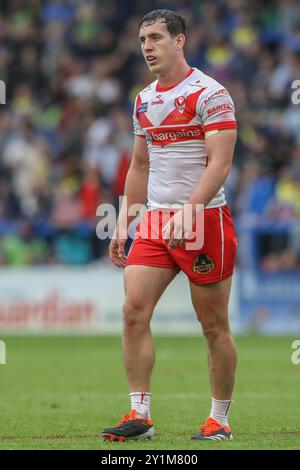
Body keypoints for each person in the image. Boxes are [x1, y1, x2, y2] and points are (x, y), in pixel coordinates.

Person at [101, 9, 238, 442]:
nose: (147, 46)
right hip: (157, 221)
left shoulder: (210, 94)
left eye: (156, 37)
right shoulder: (143, 100)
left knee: (213, 325)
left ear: (180, 41)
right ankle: (139, 415)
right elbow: (140, 165)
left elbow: (221, 163)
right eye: (143, 39)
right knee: (132, 312)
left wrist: (192, 210)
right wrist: (125, 221)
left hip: (206, 220)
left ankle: (219, 419)